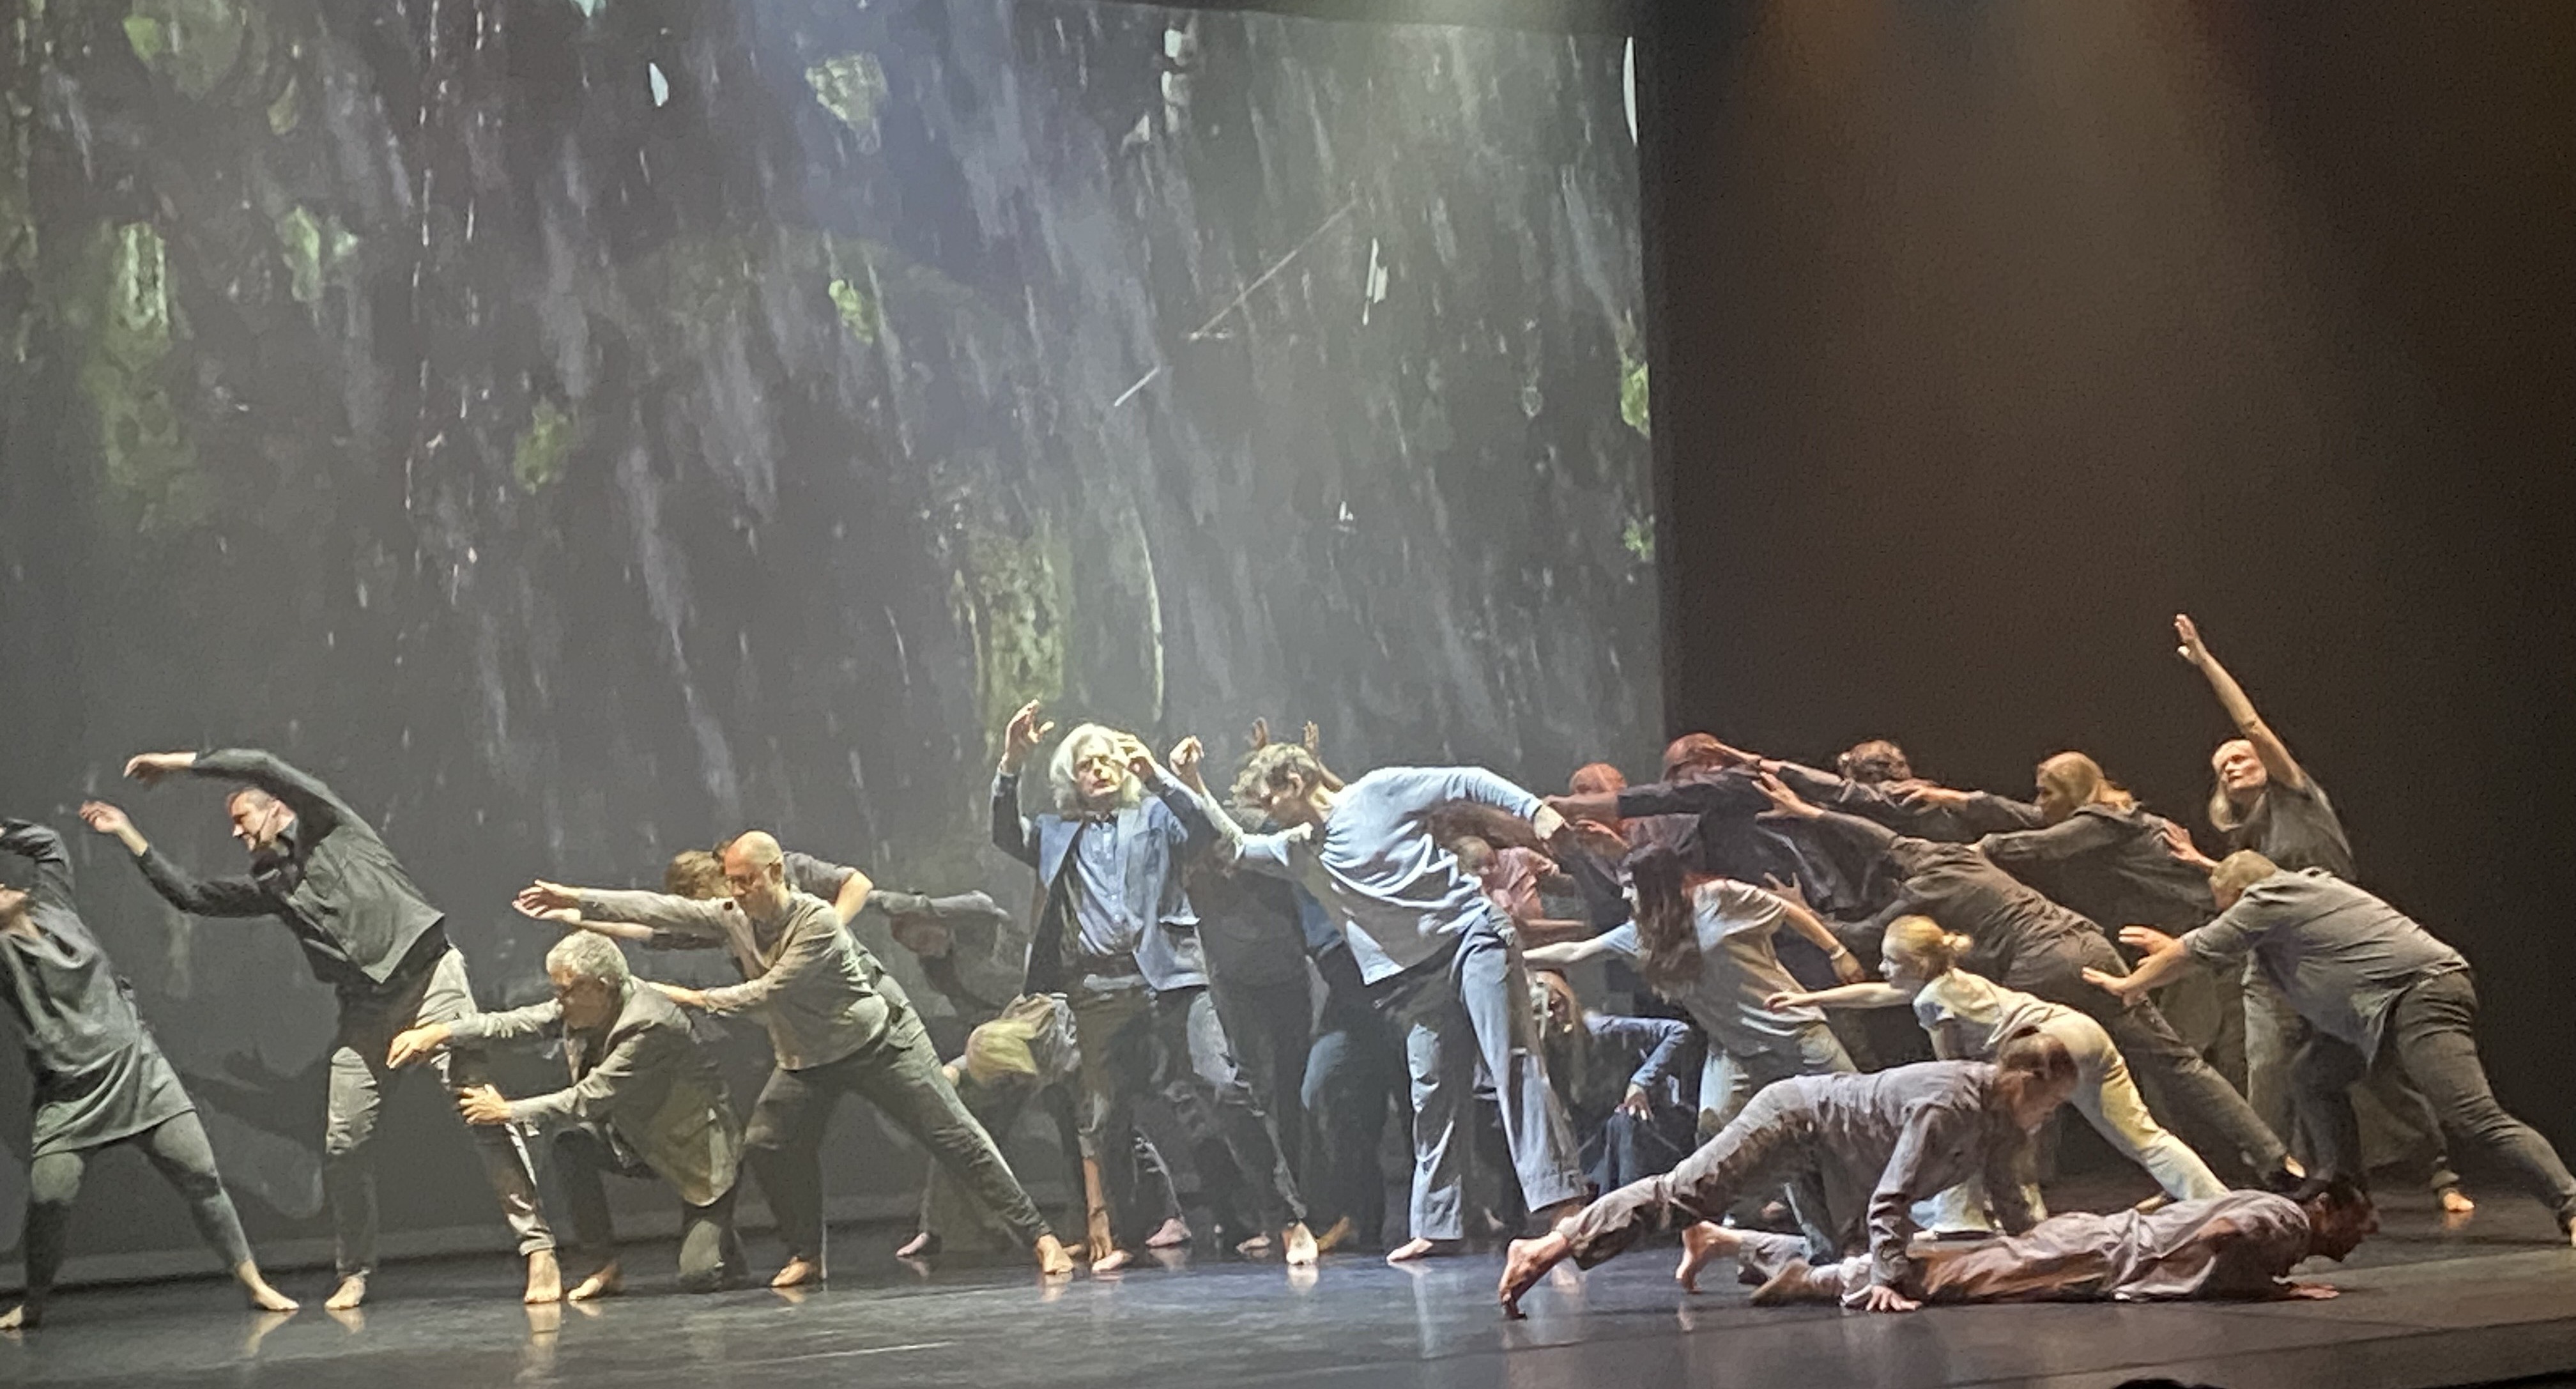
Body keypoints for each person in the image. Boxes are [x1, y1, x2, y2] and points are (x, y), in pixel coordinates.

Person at [81, 749, 555, 1309]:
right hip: (365, 1010)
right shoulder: (272, 884)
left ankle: (539, 1250)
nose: (236, 832)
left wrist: (175, 764)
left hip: (430, 978)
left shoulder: (330, 826)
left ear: (276, 810)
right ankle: (354, 1270)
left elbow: (261, 764)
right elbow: (193, 896)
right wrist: (127, 834)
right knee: (343, 1143)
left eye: (241, 818)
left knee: (478, 1105)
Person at [514, 831, 1075, 1284]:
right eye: (732, 883)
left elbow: (767, 992)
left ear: (777, 873)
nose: (737, 893)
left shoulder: (817, 923)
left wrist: (691, 998)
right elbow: (659, 910)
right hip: (808, 1055)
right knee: (768, 1143)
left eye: (746, 881)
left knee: (954, 1135)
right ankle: (808, 1253)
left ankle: (1041, 1237)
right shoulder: (732, 916)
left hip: (878, 1043)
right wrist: (575, 900)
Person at [1746, 774, 2292, 1186]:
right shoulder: (1951, 857)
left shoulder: (1920, 894)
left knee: (2003, 1084)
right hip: (2089, 943)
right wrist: (1812, 812)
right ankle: (2277, 1160)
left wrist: (1803, 913)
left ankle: (2005, 1189)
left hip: (2043, 965)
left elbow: (1867, 937)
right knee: (2176, 1063)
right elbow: (1880, 836)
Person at [1197, 741, 1588, 1264]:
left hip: (1470, 937)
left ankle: (1563, 1207)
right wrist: (1183, 781)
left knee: (1511, 1061)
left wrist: (1535, 811)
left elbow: (1465, 779)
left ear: (1295, 782)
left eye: (1270, 800)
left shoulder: (1378, 792)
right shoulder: (1299, 849)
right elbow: (1237, 846)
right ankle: (1440, 1225)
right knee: (1432, 1090)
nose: (1268, 814)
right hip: (1412, 979)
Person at [2089, 852, 2576, 1242]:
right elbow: (2211, 941)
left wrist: (2128, 986)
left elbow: (2197, 949)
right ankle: (2350, 1198)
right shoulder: (2298, 893)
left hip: (2420, 995)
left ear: (2238, 897)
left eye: (2224, 909)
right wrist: (2182, 942)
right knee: (2312, 1076)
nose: (2227, 919)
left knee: (2473, 1116)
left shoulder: (2268, 896)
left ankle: (2570, 1204)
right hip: (2374, 1015)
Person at [991, 703, 1313, 1270]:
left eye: (1107, 760)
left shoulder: (1155, 816)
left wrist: (1160, 777)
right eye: (1086, 764)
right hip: (1098, 990)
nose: (1099, 770)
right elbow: (1004, 833)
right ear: (1071, 778)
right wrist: (1012, 762)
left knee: (1223, 1087)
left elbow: (1208, 833)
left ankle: (1285, 1218)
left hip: (1173, 979)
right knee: (1105, 1117)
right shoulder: (1055, 832)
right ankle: (1127, 1235)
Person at [2169, 613, 2467, 1214]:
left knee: (2380, 1070)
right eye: (2222, 767)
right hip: (2274, 963)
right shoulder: (2245, 838)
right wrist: (2204, 863)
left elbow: (2251, 723)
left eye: (2240, 757)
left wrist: (2204, 662)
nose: (2233, 764)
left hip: (2339, 953)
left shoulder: (2297, 796)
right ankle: (2273, 1179)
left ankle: (2440, 1173)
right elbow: (2265, 890)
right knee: (2267, 1067)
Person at [1496, 1031, 2082, 1317]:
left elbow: (2009, 1196)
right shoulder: (1950, 1104)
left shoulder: (2005, 1121)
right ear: (2022, 1083)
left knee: (1834, 1265)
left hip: (1835, 1155)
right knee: (1685, 1194)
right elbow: (1892, 1197)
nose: (2051, 1116)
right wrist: (1888, 1280)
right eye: (2052, 1102)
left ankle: (1720, 1241)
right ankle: (1549, 1244)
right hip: (1796, 1118)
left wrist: (2041, 1253)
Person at [0, 819, 296, 1330]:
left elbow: (47, 847)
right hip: (72, 1095)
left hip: (139, 1073)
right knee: (50, 1198)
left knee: (202, 1178)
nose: (5, 885)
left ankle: (254, 1283)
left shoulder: (54, 907)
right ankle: (35, 1302)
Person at [1771, 916, 2227, 1207]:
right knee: (2144, 1137)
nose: (1884, 969)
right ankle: (2217, 1202)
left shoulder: (1932, 1001)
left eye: (1891, 961)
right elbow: (1876, 994)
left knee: (2002, 1132)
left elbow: (1953, 1074)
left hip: (2045, 1046)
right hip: (2083, 1031)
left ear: (1917, 965)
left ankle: (2004, 1218)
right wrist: (1808, 998)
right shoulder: (1951, 977)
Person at [386, 930, 745, 1298]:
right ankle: (603, 1263)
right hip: (634, 1139)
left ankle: (721, 1243)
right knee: (571, 1143)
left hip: (697, 1153)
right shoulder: (585, 1007)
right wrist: (441, 1032)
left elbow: (587, 1099)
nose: (559, 1000)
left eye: (566, 990)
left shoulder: (649, 1024)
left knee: (700, 1275)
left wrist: (506, 1111)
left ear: (601, 986)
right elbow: (513, 1025)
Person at [1526, 843, 1859, 1136]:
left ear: (1656, 886)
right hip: (1734, 1048)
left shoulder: (1718, 898)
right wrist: (1516, 956)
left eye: (1631, 886)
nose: (1625, 896)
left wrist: (1837, 952)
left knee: (1856, 1104)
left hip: (1792, 1028)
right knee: (1713, 1129)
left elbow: (1786, 911)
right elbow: (1575, 952)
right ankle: (1744, 1193)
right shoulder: (1641, 934)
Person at [1708, 1177, 2376, 1307]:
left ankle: (1756, 1250)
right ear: (2325, 1207)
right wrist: (2272, 1291)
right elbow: (2222, 1234)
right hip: (2098, 1253)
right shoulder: (2288, 1221)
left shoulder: (2271, 1212)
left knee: (1956, 1265)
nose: (2365, 1232)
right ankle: (1809, 1278)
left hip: (2092, 1244)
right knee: (1949, 1280)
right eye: (2358, 1219)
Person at [1528, 969, 1698, 1193]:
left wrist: (1640, 1083)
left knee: (1624, 1123)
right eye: (1540, 1011)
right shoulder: (1543, 1058)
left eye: (1556, 1006)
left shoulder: (1603, 1031)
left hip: (1648, 1128)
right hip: (1598, 1144)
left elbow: (1678, 1031)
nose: (1551, 1017)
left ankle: (1633, 1206)